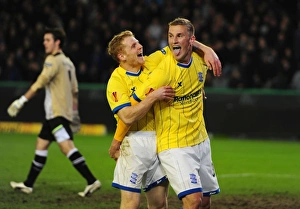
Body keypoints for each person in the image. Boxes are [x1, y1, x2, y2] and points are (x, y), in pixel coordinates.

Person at [106, 29, 221, 208]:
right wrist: (117, 141)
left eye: (138, 42)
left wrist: (207, 49)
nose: (140, 45)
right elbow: (127, 117)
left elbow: (178, 46)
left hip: (158, 142)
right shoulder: (116, 81)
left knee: (159, 204)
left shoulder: (151, 62)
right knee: (131, 204)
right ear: (122, 55)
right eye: (134, 45)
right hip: (133, 143)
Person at [7, 27, 101, 197]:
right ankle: (28, 184)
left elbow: (40, 82)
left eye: (48, 40)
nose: (44, 43)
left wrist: (21, 101)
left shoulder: (52, 60)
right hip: (58, 115)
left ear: (57, 42)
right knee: (41, 145)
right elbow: (75, 91)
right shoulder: (69, 62)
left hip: (56, 114)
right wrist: (74, 115)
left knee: (67, 148)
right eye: (44, 40)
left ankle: (92, 180)